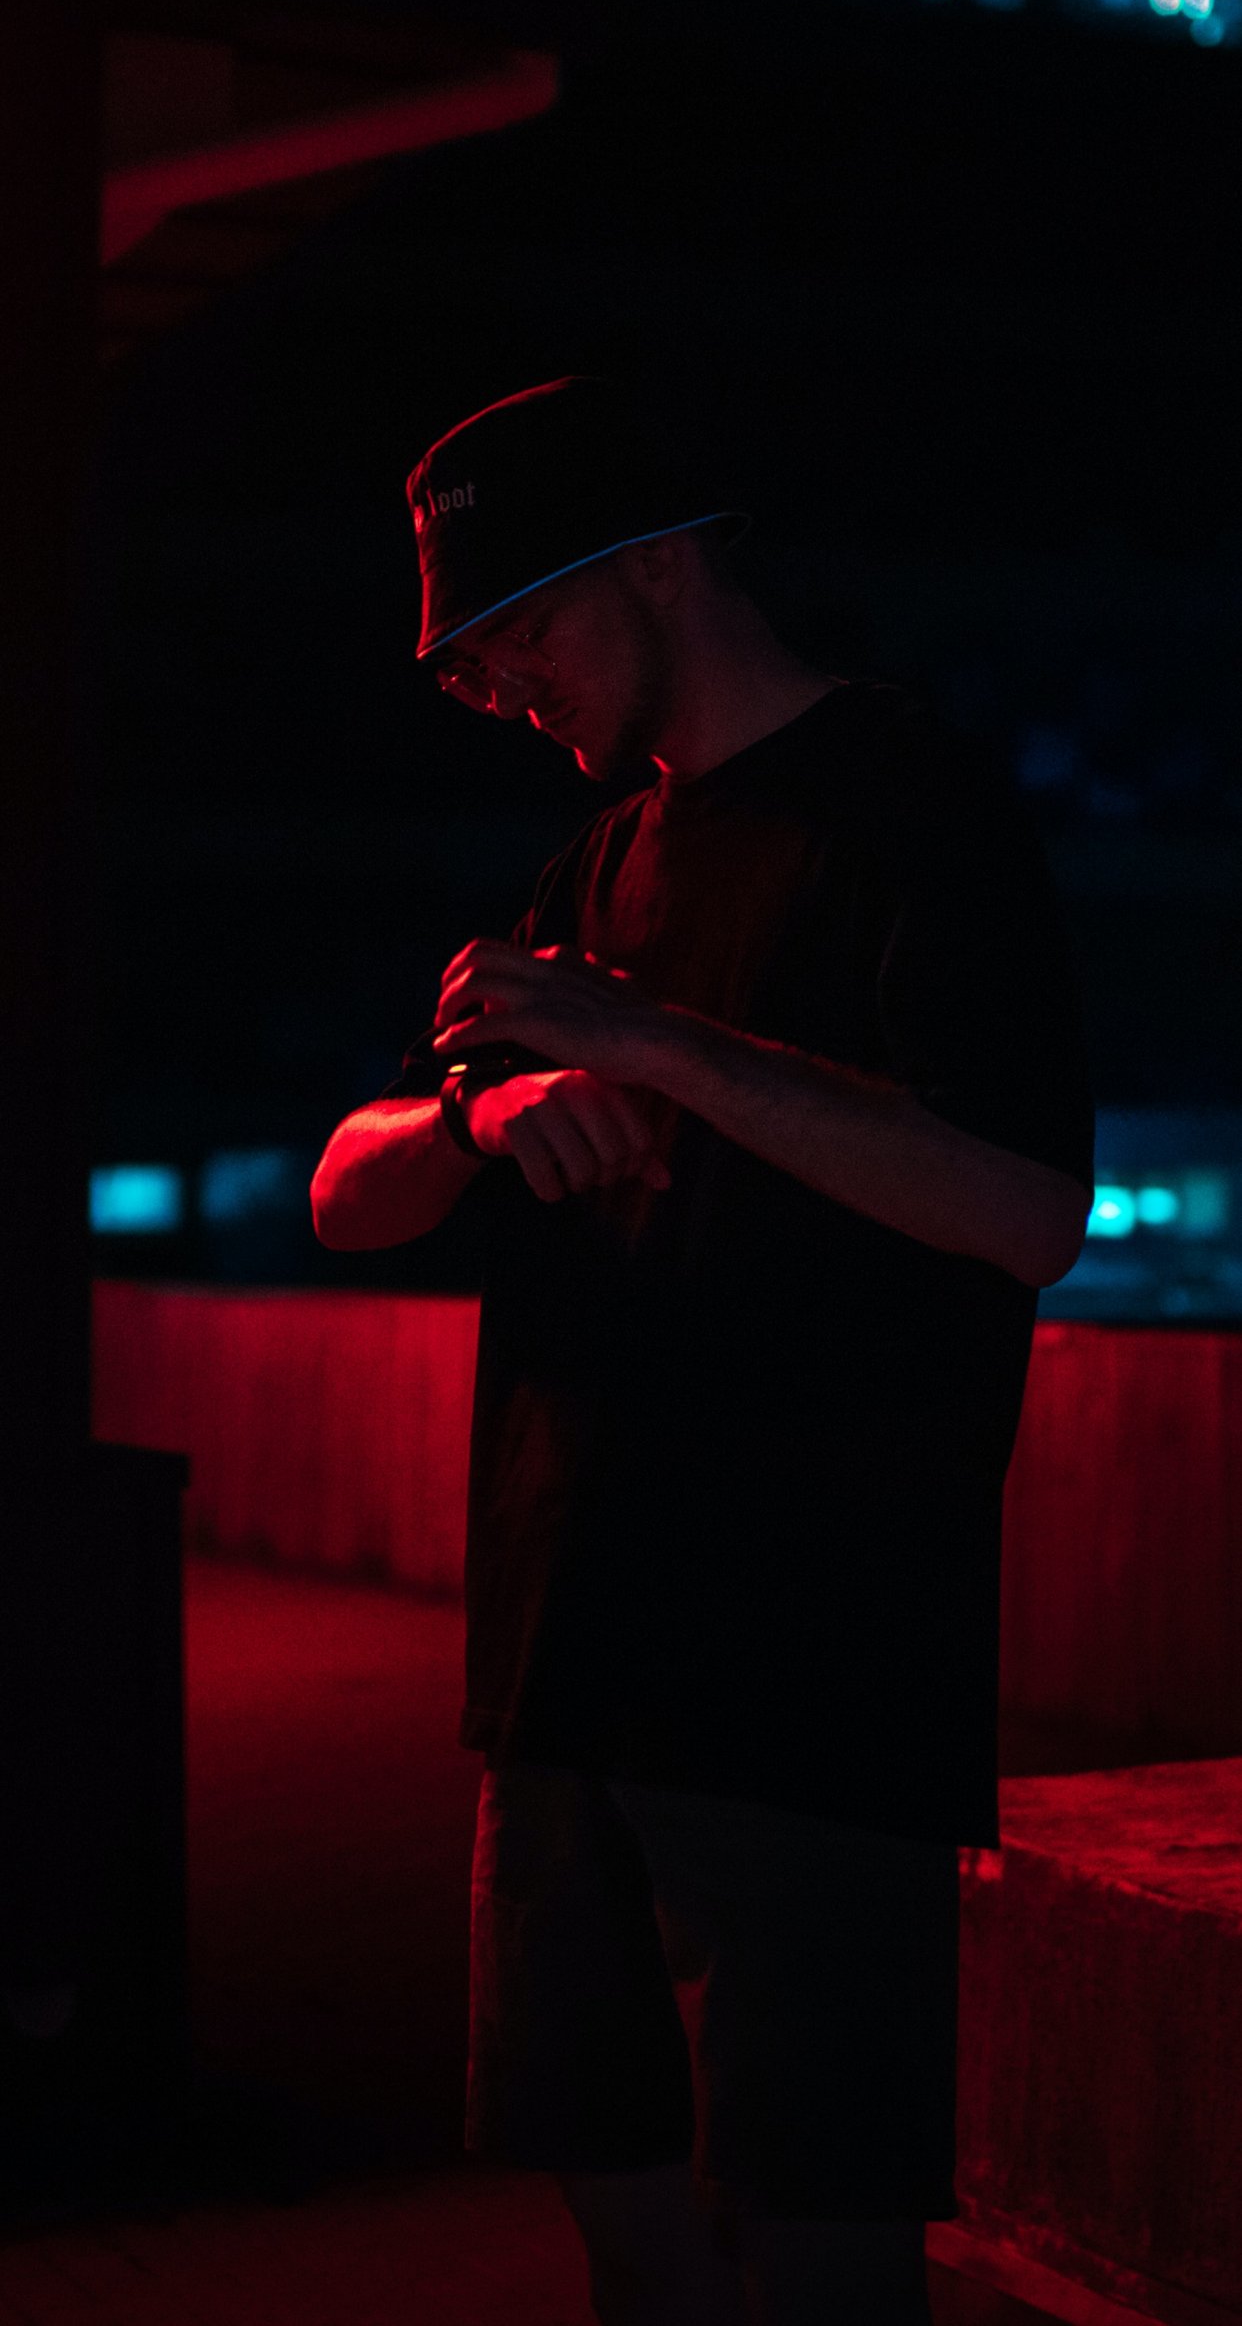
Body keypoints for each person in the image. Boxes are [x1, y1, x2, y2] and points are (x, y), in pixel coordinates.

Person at [310, 373, 1096, 2325]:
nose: (498, 689)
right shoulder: (587, 875)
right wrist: (479, 1115)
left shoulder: (914, 807)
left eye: (521, 631)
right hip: (561, 1651)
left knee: (822, 2233)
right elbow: (342, 1193)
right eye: (469, 664)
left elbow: (1022, 1210)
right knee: (619, 2210)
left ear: (660, 562)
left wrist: (659, 1046)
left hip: (810, 1662)